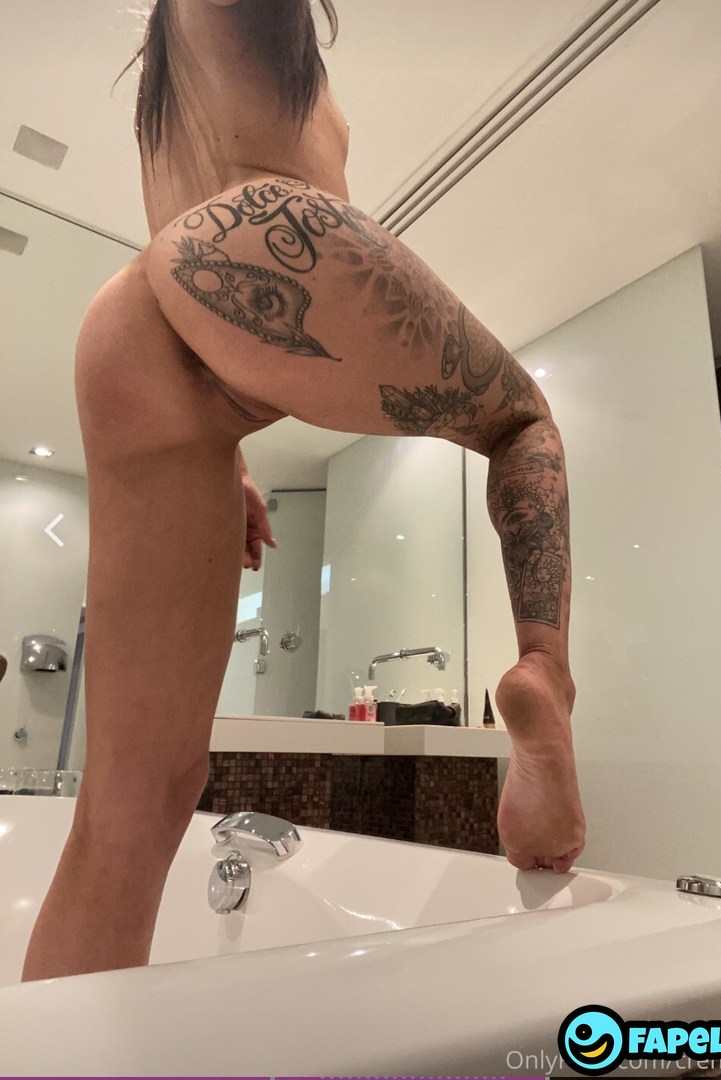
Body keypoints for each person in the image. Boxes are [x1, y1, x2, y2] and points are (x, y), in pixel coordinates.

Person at [22, 0, 585, 981]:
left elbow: (178, 251)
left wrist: (231, 462)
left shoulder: (163, 83)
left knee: (121, 821)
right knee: (521, 422)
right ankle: (546, 672)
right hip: (269, 231)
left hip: (133, 319)